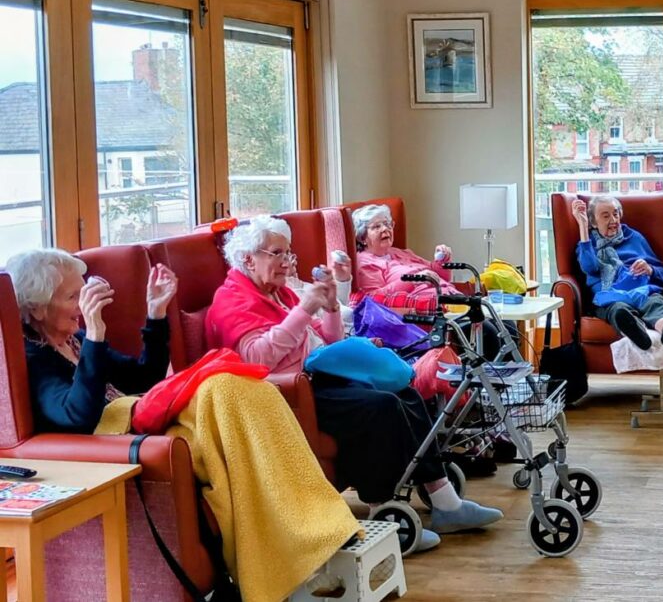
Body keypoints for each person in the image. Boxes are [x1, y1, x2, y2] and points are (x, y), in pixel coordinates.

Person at [6, 249, 363, 602]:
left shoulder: (74, 341)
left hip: (146, 419)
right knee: (222, 387)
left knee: (245, 389)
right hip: (123, 436)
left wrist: (155, 313)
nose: (82, 307)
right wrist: (96, 336)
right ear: (36, 307)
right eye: (73, 297)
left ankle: (315, 526)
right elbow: (75, 417)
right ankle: (295, 549)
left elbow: (143, 375)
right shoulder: (34, 358)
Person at [205, 216, 503, 553]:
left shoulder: (278, 292)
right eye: (277, 254)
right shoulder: (233, 300)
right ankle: (382, 509)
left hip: (319, 377)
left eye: (288, 254)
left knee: (405, 392)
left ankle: (445, 500)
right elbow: (258, 358)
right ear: (248, 258)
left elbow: (329, 337)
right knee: (381, 407)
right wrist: (305, 309)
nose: (287, 263)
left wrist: (331, 306)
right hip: (287, 393)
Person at [351, 203, 515, 360]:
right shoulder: (366, 263)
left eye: (387, 224)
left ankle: (497, 386)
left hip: (453, 302)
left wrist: (441, 261)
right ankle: (481, 385)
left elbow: (441, 276)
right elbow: (373, 301)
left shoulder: (401, 253)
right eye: (376, 226)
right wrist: (414, 281)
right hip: (432, 314)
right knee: (488, 332)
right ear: (362, 237)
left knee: (508, 326)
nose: (385, 229)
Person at [571, 195, 663, 351]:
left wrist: (650, 270)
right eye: (606, 216)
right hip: (609, 297)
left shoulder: (634, 237)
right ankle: (638, 333)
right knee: (619, 310)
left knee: (654, 302)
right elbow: (590, 267)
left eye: (616, 214)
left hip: (642, 290)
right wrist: (583, 226)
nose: (614, 219)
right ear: (594, 223)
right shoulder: (587, 245)